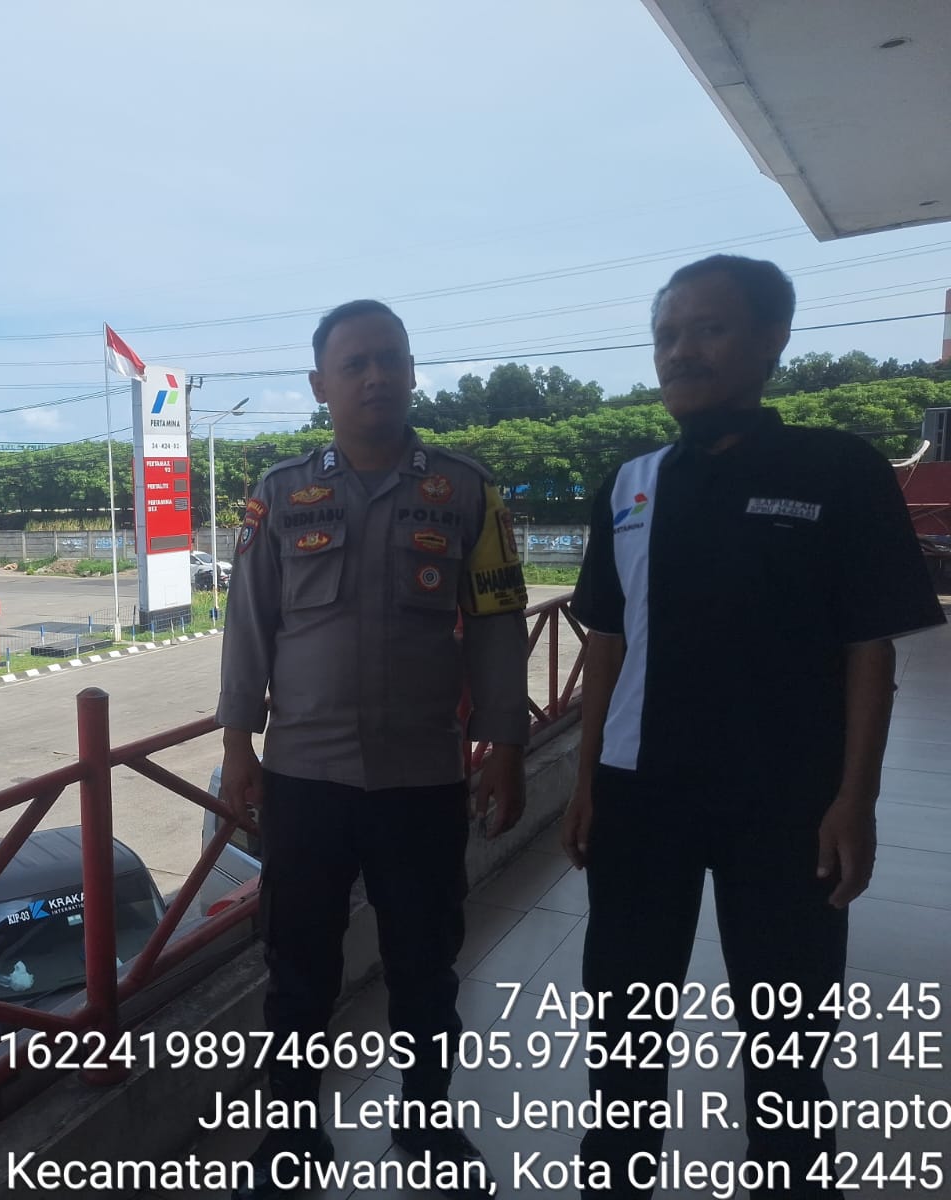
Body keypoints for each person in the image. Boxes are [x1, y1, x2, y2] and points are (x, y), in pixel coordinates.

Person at [561, 255, 945, 1199]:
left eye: (709, 328)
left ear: (773, 339)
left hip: (787, 805)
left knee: (787, 1042)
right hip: (641, 798)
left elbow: (869, 650)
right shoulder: (630, 482)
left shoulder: (839, 469)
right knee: (623, 1030)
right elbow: (605, 644)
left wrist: (855, 801)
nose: (680, 351)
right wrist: (584, 782)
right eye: (666, 335)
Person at [218, 299, 529, 1199]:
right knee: (297, 969)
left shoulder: (467, 492)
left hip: (422, 779)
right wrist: (237, 743)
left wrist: (506, 746)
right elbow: (249, 625)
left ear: (413, 371)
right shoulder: (279, 494)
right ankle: (291, 1132)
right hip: (304, 779)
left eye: (390, 359)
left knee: (426, 967)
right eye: (354, 364)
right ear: (320, 385)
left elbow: (498, 625)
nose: (376, 376)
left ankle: (426, 1123)